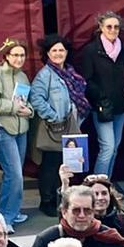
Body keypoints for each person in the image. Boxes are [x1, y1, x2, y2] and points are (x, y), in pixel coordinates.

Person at [30, 34, 88, 217]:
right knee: (50, 165)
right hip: (53, 128)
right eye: (54, 50)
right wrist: (53, 116)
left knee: (66, 165)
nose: (58, 53)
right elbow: (36, 99)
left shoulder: (70, 72)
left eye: (61, 50)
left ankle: (60, 200)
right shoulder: (45, 75)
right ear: (47, 53)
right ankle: (46, 201)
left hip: (70, 126)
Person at [0, 41, 32, 229]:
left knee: (16, 175)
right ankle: (5, 218)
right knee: (14, 174)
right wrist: (14, 108)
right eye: (15, 55)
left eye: (22, 55)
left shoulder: (23, 76)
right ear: (7, 56)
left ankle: (13, 211)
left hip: (21, 130)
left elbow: (27, 102)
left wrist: (29, 111)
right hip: (3, 130)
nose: (19, 59)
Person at [79, 10, 124, 180]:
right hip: (101, 106)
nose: (113, 30)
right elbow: (87, 79)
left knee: (114, 148)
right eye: (109, 26)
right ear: (101, 27)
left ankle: (106, 184)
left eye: (116, 27)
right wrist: (100, 97)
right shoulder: (91, 51)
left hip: (120, 107)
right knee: (107, 147)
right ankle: (96, 185)